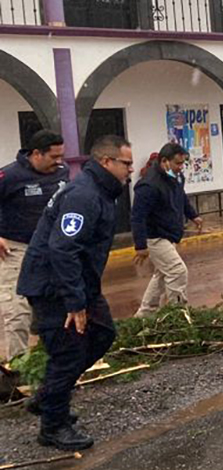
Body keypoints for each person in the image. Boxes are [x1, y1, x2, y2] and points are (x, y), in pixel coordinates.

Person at [17, 135, 133, 451]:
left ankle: (47, 397)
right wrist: (75, 301)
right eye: (126, 163)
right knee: (67, 353)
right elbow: (62, 248)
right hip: (53, 286)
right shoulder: (84, 194)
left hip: (77, 283)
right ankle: (53, 426)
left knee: (103, 333)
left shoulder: (100, 191)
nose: (131, 170)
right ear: (106, 162)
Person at [0, 131, 68, 360]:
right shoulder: (9, 176)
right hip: (15, 249)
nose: (59, 162)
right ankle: (17, 368)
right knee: (17, 311)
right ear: (36, 154)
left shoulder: (62, 173)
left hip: (50, 250)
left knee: (53, 309)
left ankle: (52, 361)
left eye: (61, 156)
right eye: (54, 157)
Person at [132, 143, 203, 318]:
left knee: (163, 275)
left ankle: (145, 315)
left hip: (169, 234)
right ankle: (177, 315)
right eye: (177, 164)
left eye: (183, 164)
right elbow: (137, 216)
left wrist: (193, 215)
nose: (180, 168)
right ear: (164, 161)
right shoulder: (148, 185)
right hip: (155, 236)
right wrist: (140, 245)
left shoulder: (175, 178)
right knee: (177, 271)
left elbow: (181, 197)